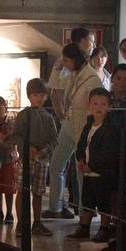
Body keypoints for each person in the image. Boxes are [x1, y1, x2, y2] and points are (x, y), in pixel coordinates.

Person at [44, 43, 102, 220]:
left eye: (67, 60)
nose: (65, 63)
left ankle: (85, 215)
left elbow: (96, 107)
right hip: (69, 125)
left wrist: (91, 132)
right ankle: (56, 207)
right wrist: (57, 66)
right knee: (56, 164)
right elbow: (55, 85)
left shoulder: (92, 79)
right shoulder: (74, 75)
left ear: (76, 59)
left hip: (84, 128)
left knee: (81, 173)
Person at [74, 88, 121, 242]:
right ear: (89, 105)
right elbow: (81, 144)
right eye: (95, 103)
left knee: (103, 203)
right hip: (88, 172)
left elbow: (107, 153)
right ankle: (84, 227)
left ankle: (104, 228)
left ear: (109, 106)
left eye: (103, 104)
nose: (98, 107)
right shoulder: (88, 125)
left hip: (102, 173)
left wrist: (92, 166)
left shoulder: (110, 129)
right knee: (87, 200)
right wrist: (80, 158)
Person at [15, 78, 59, 236]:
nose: (39, 98)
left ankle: (37, 223)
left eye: (42, 95)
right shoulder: (22, 115)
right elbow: (17, 136)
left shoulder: (48, 117)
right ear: (29, 96)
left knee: (38, 192)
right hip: (25, 160)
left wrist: (44, 151)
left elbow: (55, 139)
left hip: (42, 160)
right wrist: (27, 149)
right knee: (21, 190)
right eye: (35, 95)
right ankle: (20, 223)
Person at [0, 96, 18, 224]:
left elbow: (13, 139)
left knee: (9, 188)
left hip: (8, 159)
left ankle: (9, 212)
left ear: (5, 108)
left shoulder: (12, 123)